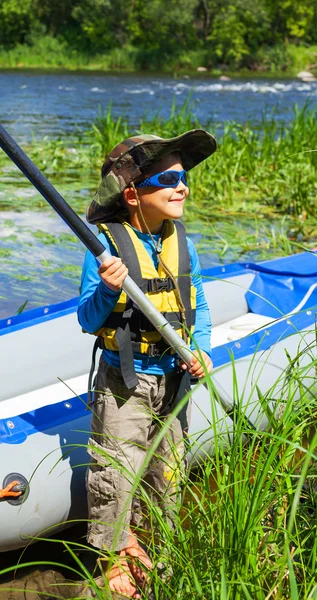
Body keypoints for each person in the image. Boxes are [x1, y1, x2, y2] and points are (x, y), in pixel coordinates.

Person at [78, 130, 216, 597]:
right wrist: (108, 288)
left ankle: (150, 541)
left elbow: (201, 306)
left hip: (174, 380)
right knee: (115, 470)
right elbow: (86, 318)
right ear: (134, 194)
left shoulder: (183, 244)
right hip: (124, 379)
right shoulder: (106, 248)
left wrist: (202, 349)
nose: (183, 187)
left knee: (167, 471)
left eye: (184, 177)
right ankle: (111, 556)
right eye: (170, 178)